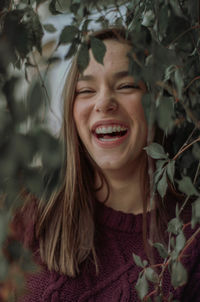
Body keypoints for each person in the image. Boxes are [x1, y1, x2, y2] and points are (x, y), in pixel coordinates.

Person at [14, 27, 200, 302]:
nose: (104, 103)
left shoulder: (191, 242)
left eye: (126, 86)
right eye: (86, 90)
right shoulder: (26, 211)